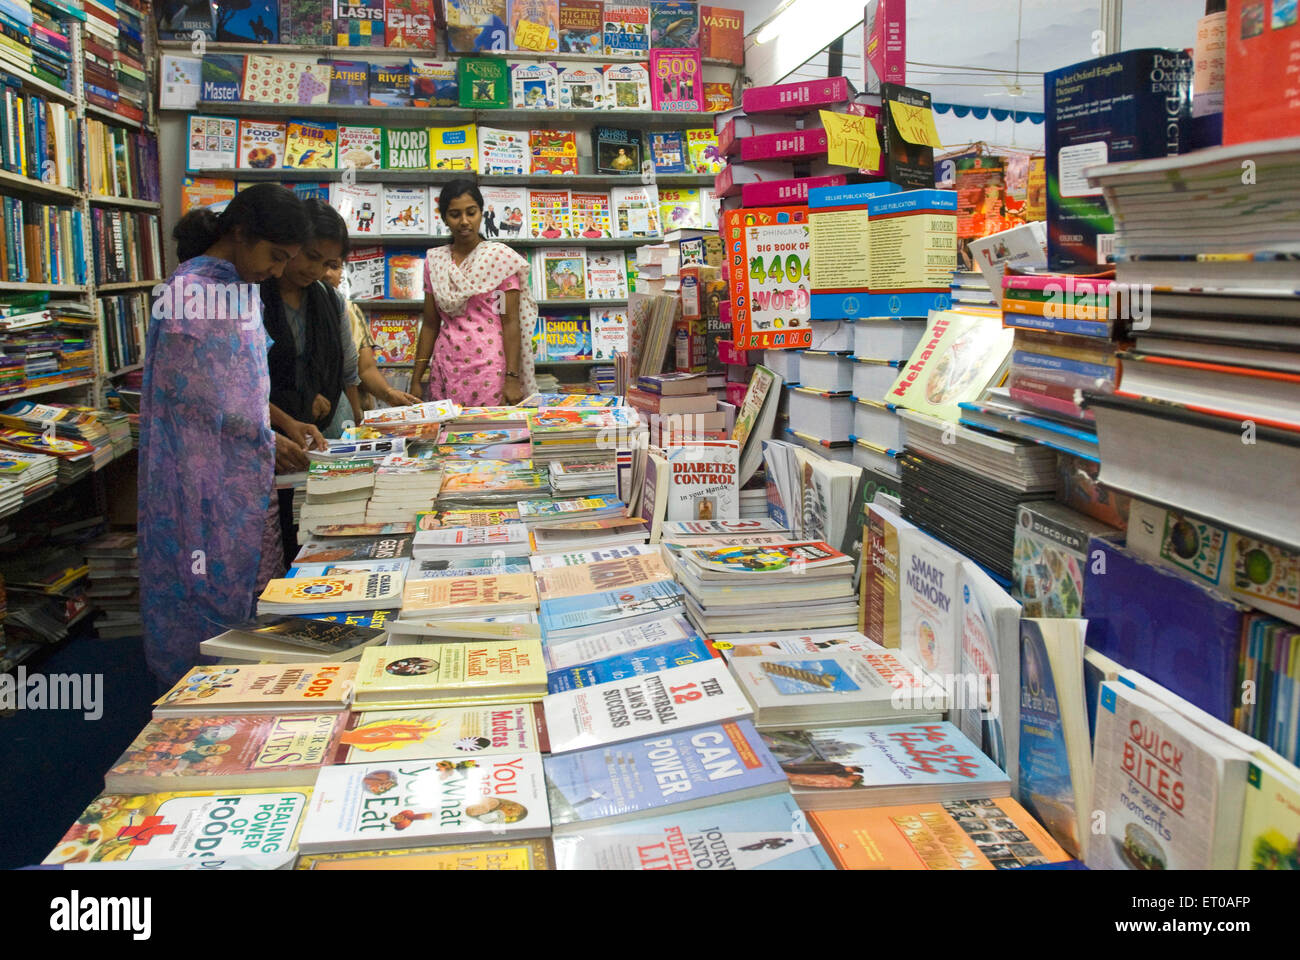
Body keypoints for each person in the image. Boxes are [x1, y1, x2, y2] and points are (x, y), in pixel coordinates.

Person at [138, 183, 310, 686]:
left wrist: (272, 425)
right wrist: (264, 435)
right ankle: (195, 697)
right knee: (203, 585)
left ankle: (241, 686)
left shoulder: (239, 285)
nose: (278, 272)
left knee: (249, 587)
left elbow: (245, 382)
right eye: (275, 257)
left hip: (242, 471)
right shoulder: (191, 292)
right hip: (199, 476)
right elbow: (193, 398)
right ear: (239, 233)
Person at [412, 180, 538, 406]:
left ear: (481, 212)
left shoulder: (499, 260)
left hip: (490, 369)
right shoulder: (435, 261)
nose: (464, 222)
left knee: (489, 436)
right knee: (448, 436)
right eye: (454, 214)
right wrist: (416, 377)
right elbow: (430, 324)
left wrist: (511, 378)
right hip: (446, 365)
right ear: (444, 218)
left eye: (471, 213)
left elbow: (509, 322)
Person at [263, 199, 362, 441]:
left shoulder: (330, 299)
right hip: (266, 431)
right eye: (311, 256)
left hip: (325, 425)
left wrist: (358, 420)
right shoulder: (255, 295)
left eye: (329, 264)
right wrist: (299, 402)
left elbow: (348, 368)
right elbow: (241, 383)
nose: (317, 271)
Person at [321, 259, 420, 428]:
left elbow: (365, 369)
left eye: (335, 267)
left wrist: (389, 394)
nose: (328, 274)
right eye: (323, 265)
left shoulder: (349, 310)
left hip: (351, 413)